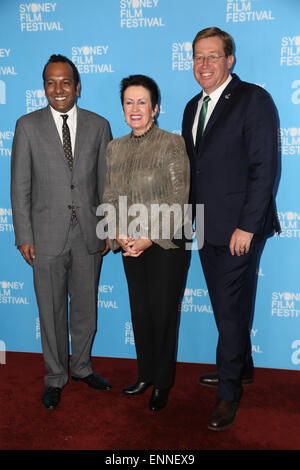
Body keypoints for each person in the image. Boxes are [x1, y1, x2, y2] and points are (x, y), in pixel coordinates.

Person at [182, 27, 281, 430]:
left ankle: (228, 393)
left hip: (241, 227)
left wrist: (247, 225)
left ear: (229, 60)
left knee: (229, 311)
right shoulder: (192, 107)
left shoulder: (254, 99)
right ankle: (240, 367)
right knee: (228, 308)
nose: (204, 65)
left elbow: (264, 169)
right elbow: (196, 170)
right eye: (198, 57)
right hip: (206, 225)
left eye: (212, 56)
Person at [11, 54, 112, 409]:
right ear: (44, 87)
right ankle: (56, 377)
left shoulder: (100, 126)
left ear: (77, 86)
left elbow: (106, 185)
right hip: (45, 235)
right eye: (51, 83)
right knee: (51, 311)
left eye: (65, 82)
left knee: (86, 307)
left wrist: (106, 230)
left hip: (88, 233)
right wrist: (23, 234)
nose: (58, 89)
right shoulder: (27, 126)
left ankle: (82, 367)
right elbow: (20, 186)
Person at [103, 74, 190, 411]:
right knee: (140, 312)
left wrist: (148, 237)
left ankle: (163, 383)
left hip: (165, 245)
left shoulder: (171, 143)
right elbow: (109, 196)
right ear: (123, 108)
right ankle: (145, 374)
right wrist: (120, 234)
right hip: (129, 244)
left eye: (142, 102)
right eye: (129, 102)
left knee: (163, 313)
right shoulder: (115, 147)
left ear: (155, 108)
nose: (135, 108)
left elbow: (179, 198)